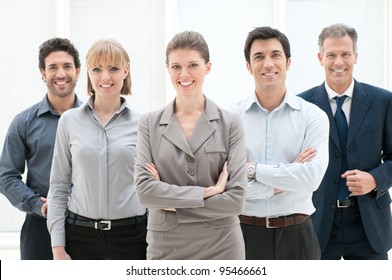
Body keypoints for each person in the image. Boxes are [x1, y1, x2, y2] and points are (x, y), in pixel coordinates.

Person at [134, 30, 247, 260]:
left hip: (222, 245)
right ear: (168, 69)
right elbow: (145, 192)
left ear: (208, 67)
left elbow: (236, 199)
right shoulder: (149, 123)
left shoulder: (230, 123)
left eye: (193, 65)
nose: (184, 74)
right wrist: (210, 192)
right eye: (176, 66)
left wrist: (171, 203)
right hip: (166, 246)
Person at [230, 26, 330, 260]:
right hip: (243, 236)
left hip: (298, 238)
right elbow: (228, 188)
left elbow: (311, 179)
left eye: (275, 55)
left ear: (288, 63)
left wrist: (251, 170)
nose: (268, 64)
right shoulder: (230, 118)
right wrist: (286, 179)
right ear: (248, 66)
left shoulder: (313, 117)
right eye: (259, 57)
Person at [47, 39, 147, 260]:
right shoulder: (69, 121)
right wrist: (57, 248)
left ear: (125, 70)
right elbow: (58, 186)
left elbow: (152, 187)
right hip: (80, 238)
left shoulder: (143, 124)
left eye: (113, 68)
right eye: (97, 69)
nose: (105, 77)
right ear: (89, 74)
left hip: (133, 237)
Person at [298, 23, 392, 260]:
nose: (338, 62)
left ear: (356, 57)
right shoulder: (302, 106)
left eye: (345, 54)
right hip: (317, 223)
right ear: (320, 58)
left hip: (369, 224)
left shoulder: (383, 101)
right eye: (331, 55)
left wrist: (375, 179)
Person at [0, 38, 82, 260]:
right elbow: (6, 176)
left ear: (78, 71)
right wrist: (38, 205)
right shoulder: (24, 122)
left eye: (67, 66)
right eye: (53, 67)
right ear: (42, 73)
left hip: (87, 227)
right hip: (40, 229)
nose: (61, 73)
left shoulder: (95, 120)